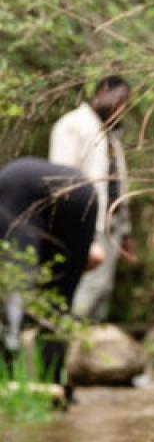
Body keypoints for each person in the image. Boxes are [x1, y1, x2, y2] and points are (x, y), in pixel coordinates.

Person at [0, 157, 100, 400]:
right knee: (59, 304)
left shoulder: (8, 194)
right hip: (84, 191)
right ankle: (52, 381)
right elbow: (97, 257)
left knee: (13, 287)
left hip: (24, 187)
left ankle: (9, 377)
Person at [48, 75, 133, 321]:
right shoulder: (73, 124)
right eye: (117, 100)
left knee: (103, 285)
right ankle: (73, 336)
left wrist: (126, 232)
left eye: (124, 103)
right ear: (101, 93)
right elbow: (62, 177)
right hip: (85, 219)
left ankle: (92, 342)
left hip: (112, 223)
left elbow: (119, 185)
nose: (120, 107)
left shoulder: (111, 136)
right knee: (86, 282)